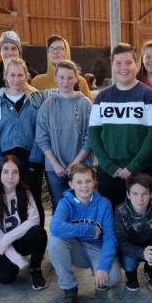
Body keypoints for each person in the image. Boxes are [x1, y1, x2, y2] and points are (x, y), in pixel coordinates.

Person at [88, 42, 152, 207]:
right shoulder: (102, 97)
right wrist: (107, 165)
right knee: (111, 217)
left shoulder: (149, 96)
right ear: (112, 66)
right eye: (118, 63)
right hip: (109, 171)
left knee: (141, 219)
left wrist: (133, 166)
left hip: (142, 170)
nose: (123, 67)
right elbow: (93, 134)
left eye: (128, 62)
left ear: (137, 64)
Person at [48, 164, 121, 303]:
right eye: (79, 182)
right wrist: (88, 230)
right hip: (76, 248)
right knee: (55, 241)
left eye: (88, 181)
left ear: (94, 182)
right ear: (71, 184)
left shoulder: (104, 204)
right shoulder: (65, 203)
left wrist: (103, 267)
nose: (84, 186)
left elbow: (110, 238)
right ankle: (69, 288)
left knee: (112, 277)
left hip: (96, 248)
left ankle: (97, 271)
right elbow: (55, 227)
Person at [0, 57, 46, 227]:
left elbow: (40, 129)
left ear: (26, 75)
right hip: (6, 155)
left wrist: (36, 158)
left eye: (20, 75)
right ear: (6, 76)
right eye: (12, 75)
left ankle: (37, 237)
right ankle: (12, 236)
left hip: (30, 155)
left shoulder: (36, 97)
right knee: (9, 196)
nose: (16, 79)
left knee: (33, 196)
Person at [35, 60, 93, 209]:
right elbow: (42, 137)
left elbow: (90, 136)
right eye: (61, 77)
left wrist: (76, 163)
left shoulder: (85, 103)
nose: (65, 82)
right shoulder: (47, 105)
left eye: (69, 77)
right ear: (55, 78)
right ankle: (61, 233)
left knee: (82, 205)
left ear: (76, 79)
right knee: (59, 206)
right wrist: (55, 164)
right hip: (55, 168)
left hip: (81, 166)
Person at [0, 155, 48, 290]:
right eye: (6, 171)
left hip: (21, 241)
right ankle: (10, 262)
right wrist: (17, 260)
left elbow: (34, 220)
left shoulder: (26, 194)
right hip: (6, 246)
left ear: (20, 174)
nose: (10, 176)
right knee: (5, 278)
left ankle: (35, 269)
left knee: (38, 233)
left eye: (15, 172)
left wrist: (8, 237)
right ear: (0, 174)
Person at [114, 172, 152, 291]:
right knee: (128, 263)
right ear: (128, 194)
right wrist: (142, 253)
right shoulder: (120, 210)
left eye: (144, 194)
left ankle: (151, 270)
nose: (140, 199)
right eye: (135, 194)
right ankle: (131, 276)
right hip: (133, 250)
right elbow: (122, 241)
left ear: (151, 194)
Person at [0, 30, 37, 119]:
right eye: (5, 48)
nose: (9, 53)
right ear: (0, 51)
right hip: (4, 131)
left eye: (13, 48)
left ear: (19, 52)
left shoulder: (33, 76)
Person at [31, 34, 94, 101]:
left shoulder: (80, 81)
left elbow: (90, 108)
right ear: (48, 53)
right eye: (52, 49)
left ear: (66, 51)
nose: (55, 52)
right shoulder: (37, 82)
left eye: (60, 48)